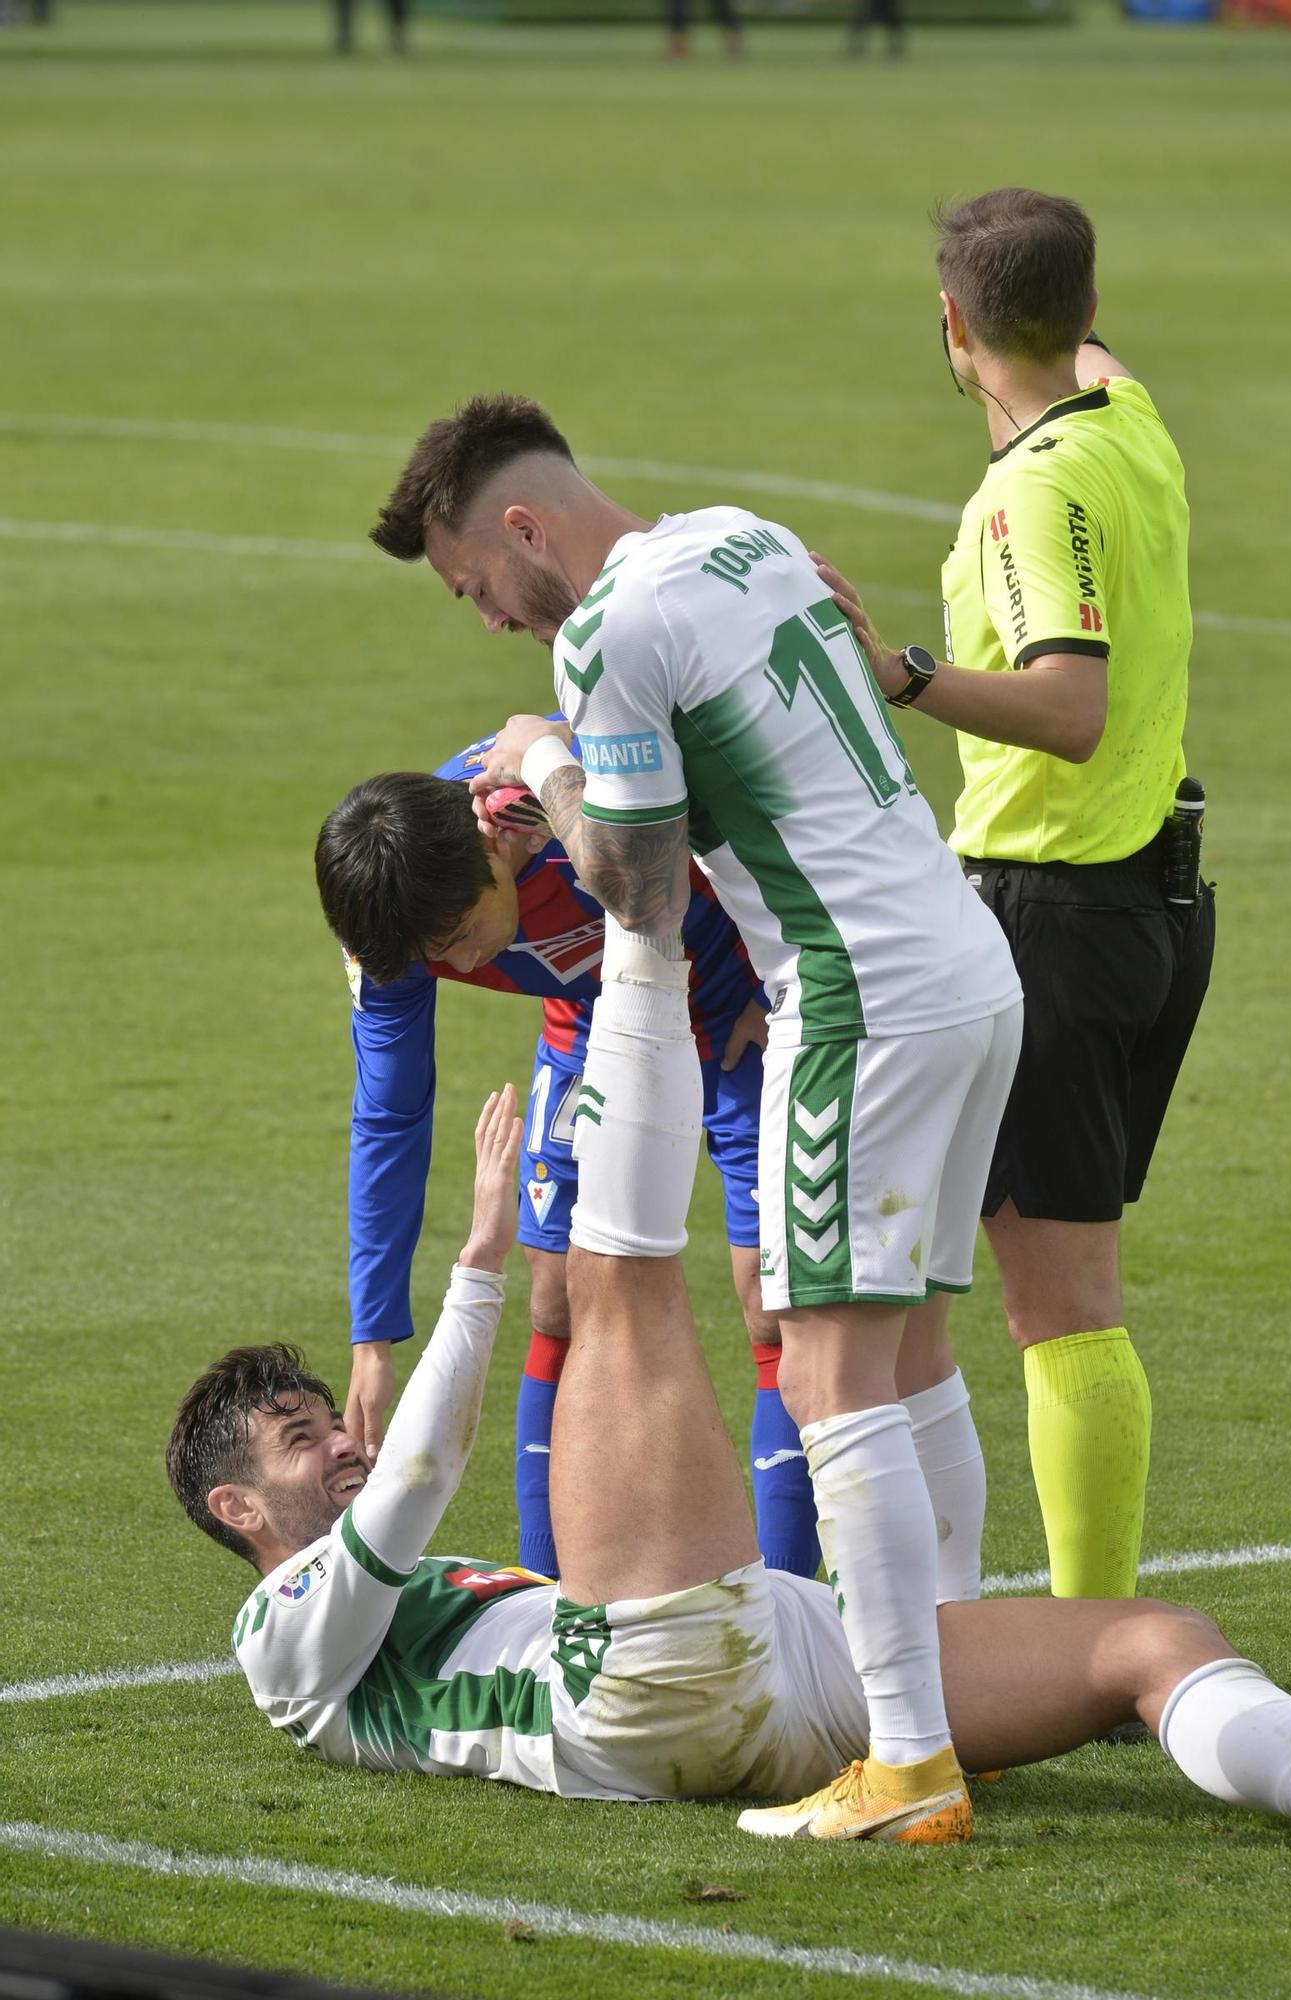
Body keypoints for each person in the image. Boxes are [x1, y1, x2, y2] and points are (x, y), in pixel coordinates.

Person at [164, 964, 1291, 1839]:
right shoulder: (278, 1637)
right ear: (236, 1503)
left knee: (1155, 1638)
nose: (341, 1443)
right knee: (615, 1275)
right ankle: (640, 946)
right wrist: (477, 1261)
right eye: (299, 1439)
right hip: (638, 1687)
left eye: (328, 1418)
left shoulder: (383, 1593)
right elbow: (417, 1476)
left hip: (787, 1662)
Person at [368, 394, 1023, 1840]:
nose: (487, 622)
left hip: (853, 999)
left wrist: (541, 760)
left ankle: (910, 1760)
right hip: (969, 965)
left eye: (475, 584)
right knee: (912, 1361)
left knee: (830, 1380)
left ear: (521, 529)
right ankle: (968, 1693)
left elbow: (637, 896)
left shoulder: (602, 634)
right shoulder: (742, 535)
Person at [813, 188, 1216, 1602]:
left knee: (1061, 1316)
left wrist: (900, 673)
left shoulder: (1028, 496)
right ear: (1085, 312)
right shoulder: (1127, 420)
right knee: (1065, 1296)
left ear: (947, 323)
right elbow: (1078, 364)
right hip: (1154, 911)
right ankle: (1076, 1620)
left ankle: (1087, 1633)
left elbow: (1066, 707)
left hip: (1055, 921)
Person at [312, 742, 822, 1580]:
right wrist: (374, 1336)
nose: (465, 964)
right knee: (555, 1297)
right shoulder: (395, 933)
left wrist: (790, 971)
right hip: (593, 1018)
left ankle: (794, 1613)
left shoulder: (572, 784)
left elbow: (767, 786)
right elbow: (391, 1112)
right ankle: (554, 1603)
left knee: (776, 1302)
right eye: (439, 957)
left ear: (497, 850)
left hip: (735, 998)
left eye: (463, 936)